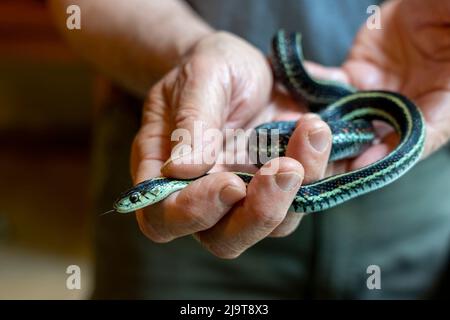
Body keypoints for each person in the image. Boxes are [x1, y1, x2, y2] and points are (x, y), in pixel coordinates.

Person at [50, 0, 450, 299]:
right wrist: (191, 51)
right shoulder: (185, 176)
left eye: (137, 198)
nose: (134, 202)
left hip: (422, 183)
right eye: (137, 199)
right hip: (196, 124)